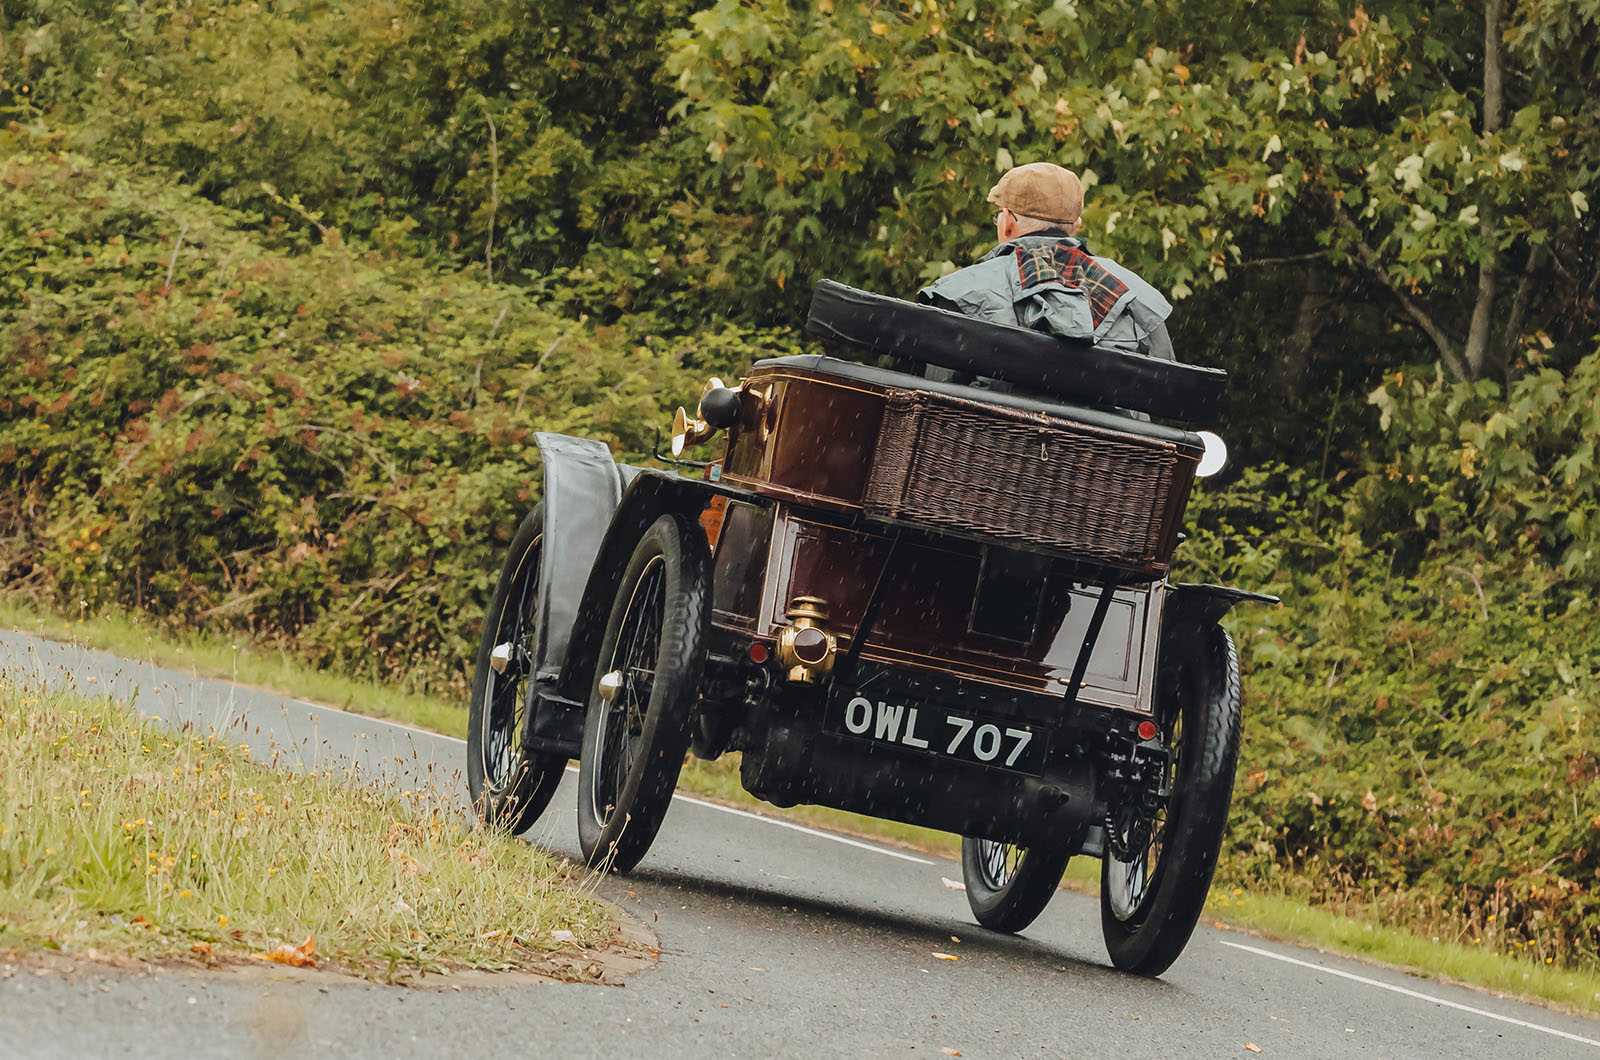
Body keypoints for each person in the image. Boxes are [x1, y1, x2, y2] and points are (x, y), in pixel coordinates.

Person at [916, 162, 1175, 361]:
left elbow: (935, 392)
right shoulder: (1137, 297)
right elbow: (1166, 388)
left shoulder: (960, 290)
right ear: (1076, 225)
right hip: (1106, 433)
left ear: (1007, 223)